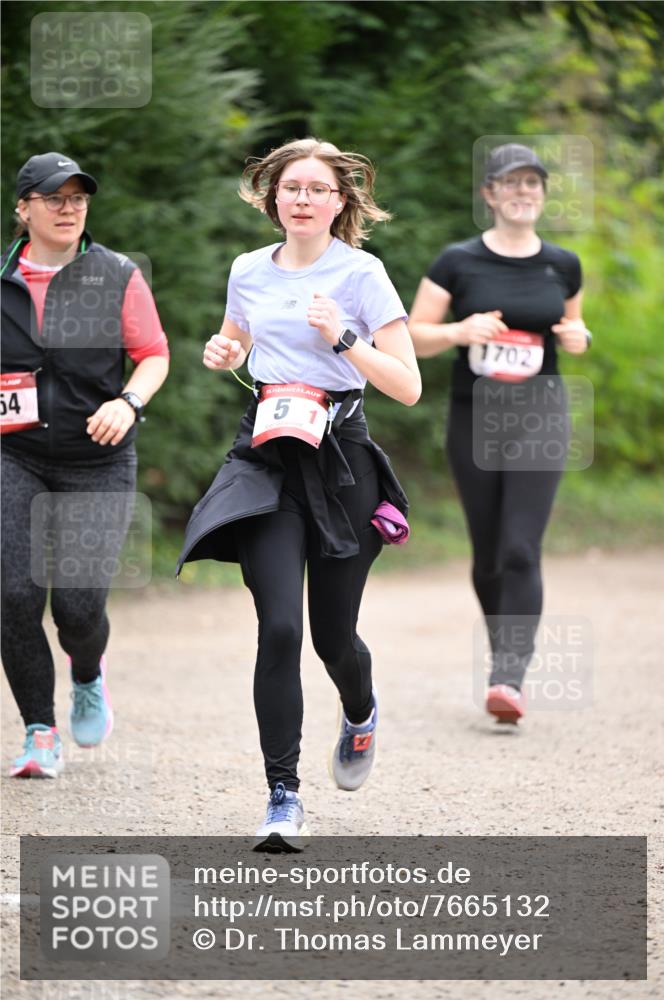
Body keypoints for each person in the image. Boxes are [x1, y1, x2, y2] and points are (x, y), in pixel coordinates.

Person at [177, 137, 421, 851]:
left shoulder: (362, 274)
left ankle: (360, 707)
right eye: (292, 188)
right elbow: (233, 342)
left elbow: (406, 386)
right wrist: (221, 352)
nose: (304, 198)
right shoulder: (248, 269)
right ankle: (282, 796)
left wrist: (342, 335)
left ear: (340, 202)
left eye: (318, 188)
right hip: (267, 457)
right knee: (279, 627)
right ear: (271, 197)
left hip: (343, 459)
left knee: (331, 637)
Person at [408, 143, 589, 724]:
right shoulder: (457, 262)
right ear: (488, 194)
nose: (522, 192)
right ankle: (502, 653)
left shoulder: (563, 264)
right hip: (474, 417)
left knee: (519, 547)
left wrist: (579, 337)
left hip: (541, 412)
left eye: (532, 183)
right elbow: (413, 335)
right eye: (509, 183)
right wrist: (462, 330)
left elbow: (574, 323)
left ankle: (508, 677)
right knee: (487, 555)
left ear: (541, 192)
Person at [1, 152, 169, 777]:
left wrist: (129, 401)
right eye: (53, 197)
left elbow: (152, 354)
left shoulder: (117, 275)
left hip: (96, 460)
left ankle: (88, 671)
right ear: (23, 210)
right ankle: (39, 732)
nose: (69, 207)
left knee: (76, 603)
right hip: (11, 455)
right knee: (13, 594)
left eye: (78, 197)